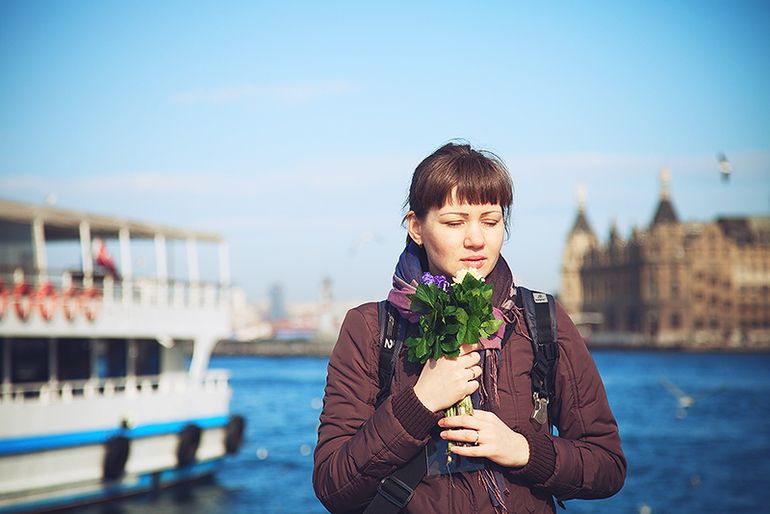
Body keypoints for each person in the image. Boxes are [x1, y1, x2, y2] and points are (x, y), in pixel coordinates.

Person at [313, 142, 626, 513]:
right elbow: (333, 487)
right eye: (454, 222)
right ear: (416, 226)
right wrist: (420, 403)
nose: (476, 239)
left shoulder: (541, 320)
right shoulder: (370, 328)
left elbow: (608, 466)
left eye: (491, 222)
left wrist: (522, 450)